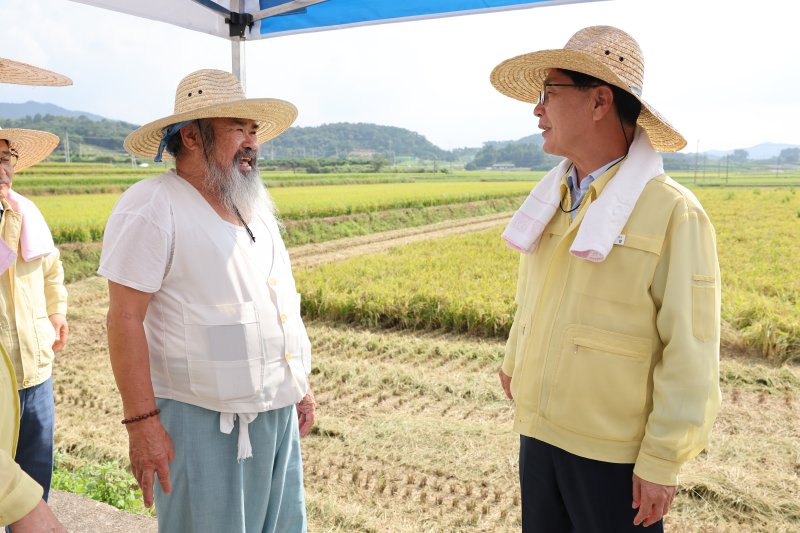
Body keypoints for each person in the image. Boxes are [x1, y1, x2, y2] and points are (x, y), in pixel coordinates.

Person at [491, 26, 721, 531]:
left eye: (549, 94)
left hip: (613, 453)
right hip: (540, 432)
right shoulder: (551, 198)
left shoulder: (673, 212)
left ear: (599, 101)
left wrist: (663, 459)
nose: (537, 111)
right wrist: (515, 361)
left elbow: (692, 346)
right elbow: (533, 298)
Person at [99, 69, 317, 533]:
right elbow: (124, 319)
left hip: (276, 417)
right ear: (192, 137)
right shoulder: (153, 206)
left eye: (254, 131)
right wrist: (142, 425)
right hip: (200, 424)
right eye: (239, 128)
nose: (252, 143)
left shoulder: (254, 205)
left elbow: (278, 301)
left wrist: (297, 384)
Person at [0, 57, 70, 532]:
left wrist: (57, 315)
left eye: (6, 159)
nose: (2, 168)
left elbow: (51, 270)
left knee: (34, 479)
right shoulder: (13, 219)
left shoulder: (29, 212)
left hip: (34, 372)